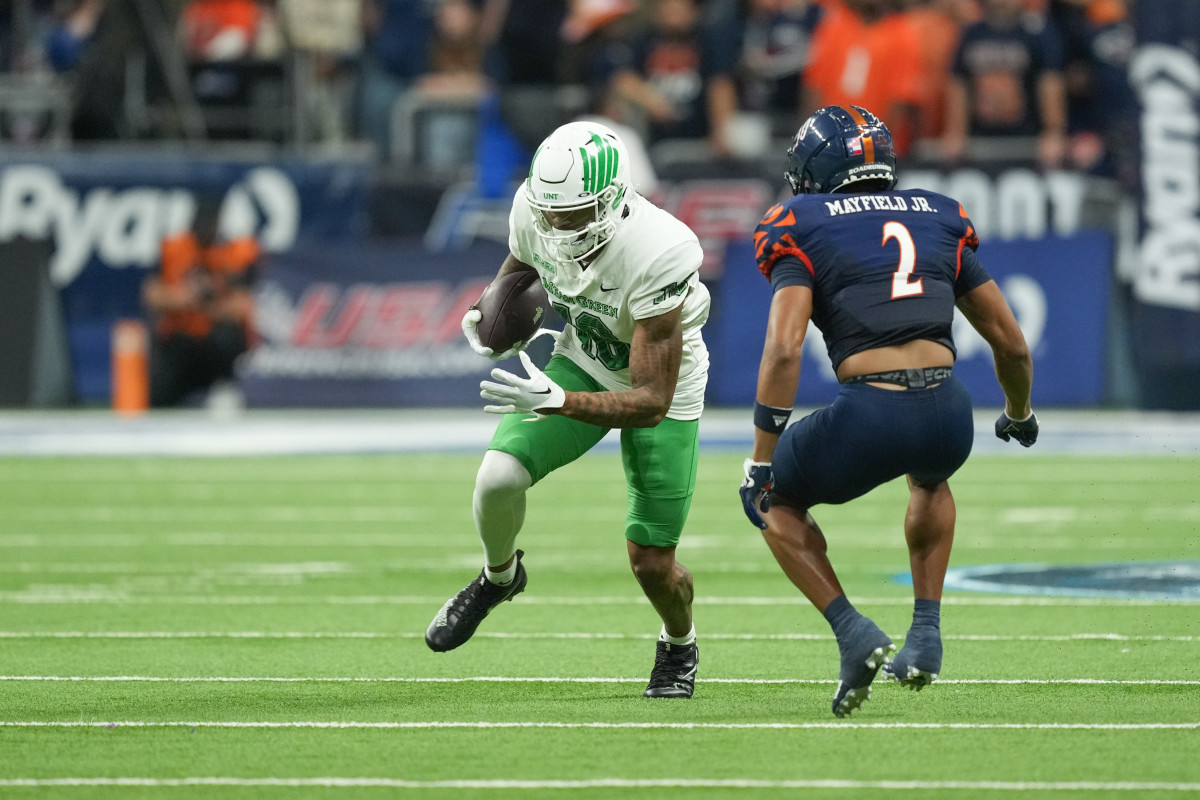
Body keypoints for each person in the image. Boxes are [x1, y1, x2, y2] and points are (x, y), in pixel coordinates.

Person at [738, 104, 1038, 718]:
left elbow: (783, 346)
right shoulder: (937, 213)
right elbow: (1010, 340)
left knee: (775, 502)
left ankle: (852, 632)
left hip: (872, 412)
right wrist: (1018, 412)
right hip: (949, 413)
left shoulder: (802, 222)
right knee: (930, 476)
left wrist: (761, 460)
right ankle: (925, 632)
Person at [425, 120, 711, 699]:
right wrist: (491, 319)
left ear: (611, 200)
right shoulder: (535, 212)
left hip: (661, 383)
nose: (557, 225)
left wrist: (559, 400)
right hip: (582, 354)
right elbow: (521, 271)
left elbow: (651, 401)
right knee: (497, 478)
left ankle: (680, 644)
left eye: (573, 214)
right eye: (550, 212)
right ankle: (499, 577)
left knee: (652, 562)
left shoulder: (662, 249)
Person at [141, 197, 260, 407]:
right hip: (181, 340)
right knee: (158, 399)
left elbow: (244, 307)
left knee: (227, 337)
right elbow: (151, 294)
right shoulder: (174, 248)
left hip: (214, 344)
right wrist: (184, 298)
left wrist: (207, 304)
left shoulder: (234, 252)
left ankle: (223, 385)